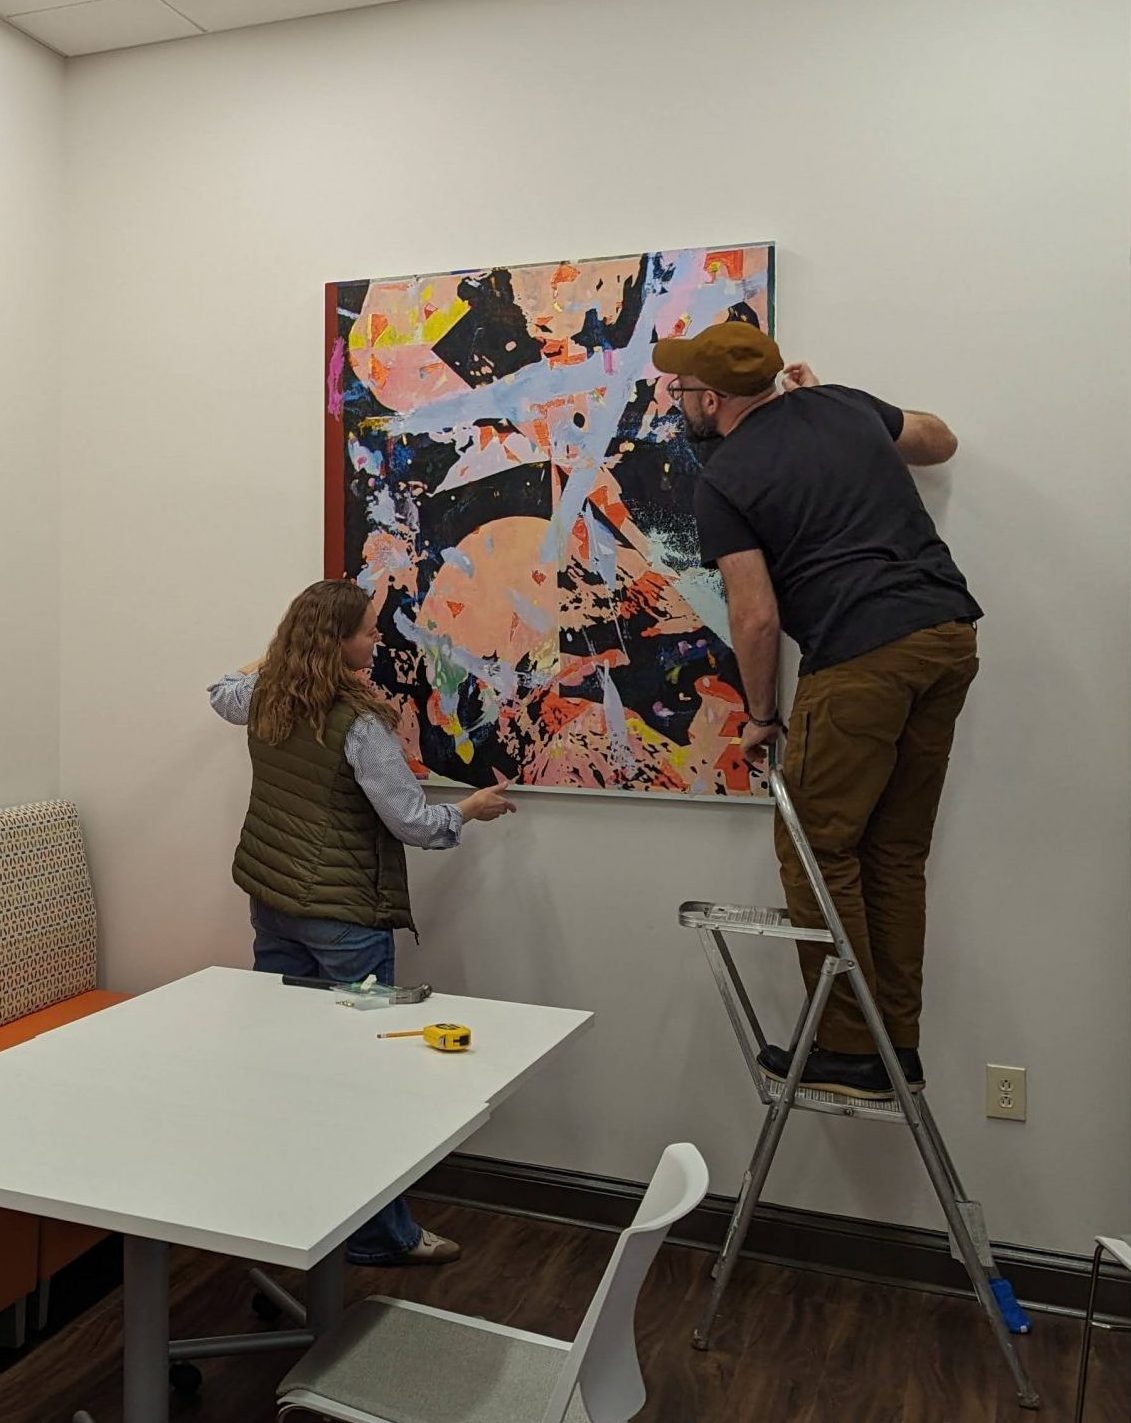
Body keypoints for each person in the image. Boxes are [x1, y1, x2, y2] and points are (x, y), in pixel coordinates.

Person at [653, 322, 981, 1100]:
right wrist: (832, 409)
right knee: (892, 851)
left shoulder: (725, 478)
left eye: (680, 392)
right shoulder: (837, 404)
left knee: (813, 846)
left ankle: (848, 1047)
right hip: (946, 635)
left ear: (713, 398)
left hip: (863, 652)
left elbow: (755, 616)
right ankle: (893, 1043)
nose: (677, 403)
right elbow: (939, 440)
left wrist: (762, 712)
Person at [209, 578, 514, 1265]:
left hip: (274, 905)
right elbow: (413, 823)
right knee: (363, 1085)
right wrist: (470, 810)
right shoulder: (360, 725)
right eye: (368, 631)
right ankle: (381, 1237)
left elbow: (220, 687)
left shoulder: (263, 699)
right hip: (345, 922)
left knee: (287, 1069)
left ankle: (287, 1218)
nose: (378, 640)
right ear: (337, 641)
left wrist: (282, 652)